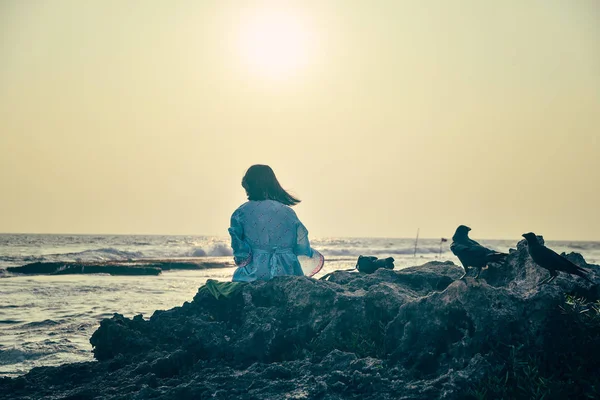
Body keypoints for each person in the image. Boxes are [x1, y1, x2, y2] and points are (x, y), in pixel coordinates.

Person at [229, 165, 324, 282]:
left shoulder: (240, 213)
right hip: (289, 270)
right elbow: (301, 242)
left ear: (247, 185)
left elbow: (240, 251)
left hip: (256, 272)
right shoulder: (288, 212)